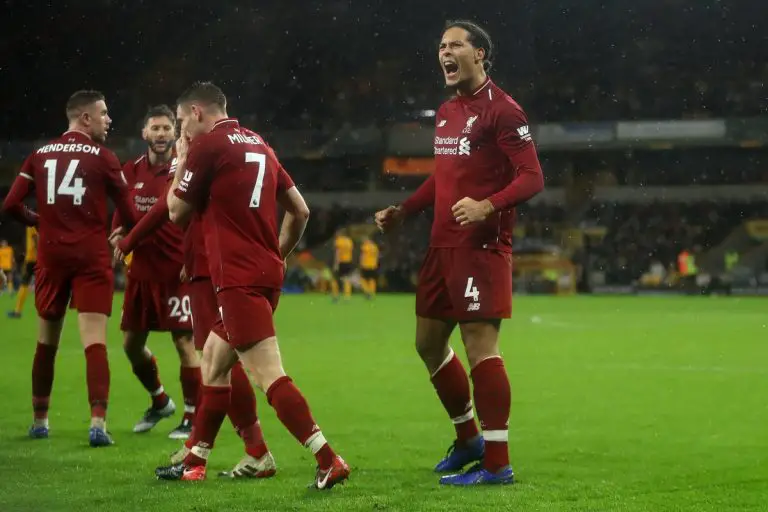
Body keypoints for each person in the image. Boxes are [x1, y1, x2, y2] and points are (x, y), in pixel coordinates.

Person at [155, 81, 349, 489]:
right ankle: (196, 460)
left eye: (180, 122)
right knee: (212, 359)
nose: (181, 132)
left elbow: (175, 212)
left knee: (267, 375)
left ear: (196, 112)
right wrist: (277, 255)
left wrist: (183, 157)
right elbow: (300, 210)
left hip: (237, 279)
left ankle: (328, 458)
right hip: (265, 272)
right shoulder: (260, 144)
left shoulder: (207, 146)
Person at [375, 20, 544, 486]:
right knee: (428, 344)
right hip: (441, 244)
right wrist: (406, 210)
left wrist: (489, 205)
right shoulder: (448, 110)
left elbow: (532, 177)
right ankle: (468, 438)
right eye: (441, 47)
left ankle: (496, 463)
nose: (444, 53)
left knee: (480, 347)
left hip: (481, 247)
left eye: (455, 45)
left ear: (480, 54)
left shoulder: (504, 111)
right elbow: (444, 175)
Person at [1, 90, 138, 447]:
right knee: (94, 343)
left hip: (51, 256)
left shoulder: (40, 155)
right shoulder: (105, 158)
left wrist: (37, 220)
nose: (109, 120)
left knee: (46, 344)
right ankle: (97, 424)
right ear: (85, 118)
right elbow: (130, 210)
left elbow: (11, 204)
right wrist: (121, 233)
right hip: (91, 257)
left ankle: (40, 420)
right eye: (104, 114)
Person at [109, 105, 200, 439]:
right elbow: (122, 207)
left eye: (166, 128)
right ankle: (160, 400)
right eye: (155, 128)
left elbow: (192, 216)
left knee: (184, 341)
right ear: (144, 134)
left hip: (177, 271)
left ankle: (192, 416)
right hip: (142, 272)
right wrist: (118, 230)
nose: (161, 134)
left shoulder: (184, 166)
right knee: (132, 346)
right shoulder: (130, 170)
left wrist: (192, 258)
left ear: (174, 133)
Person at [167, 216, 277, 479]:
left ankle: (253, 450)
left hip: (212, 264)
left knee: (220, 358)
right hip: (210, 260)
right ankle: (214, 447)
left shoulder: (201, 172)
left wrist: (130, 240)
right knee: (220, 357)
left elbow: (174, 208)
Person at [8, 227, 37, 318]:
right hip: (33, 258)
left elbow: (36, 240)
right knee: (25, 283)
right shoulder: (36, 223)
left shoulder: (32, 224)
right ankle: (17, 310)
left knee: (24, 283)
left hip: (32, 259)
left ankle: (18, 311)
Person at [331, 229, 354, 301]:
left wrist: (336, 264)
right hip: (348, 262)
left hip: (341, 262)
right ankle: (347, 296)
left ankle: (335, 295)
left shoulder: (338, 241)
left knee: (335, 279)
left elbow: (337, 253)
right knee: (347, 279)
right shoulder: (349, 241)